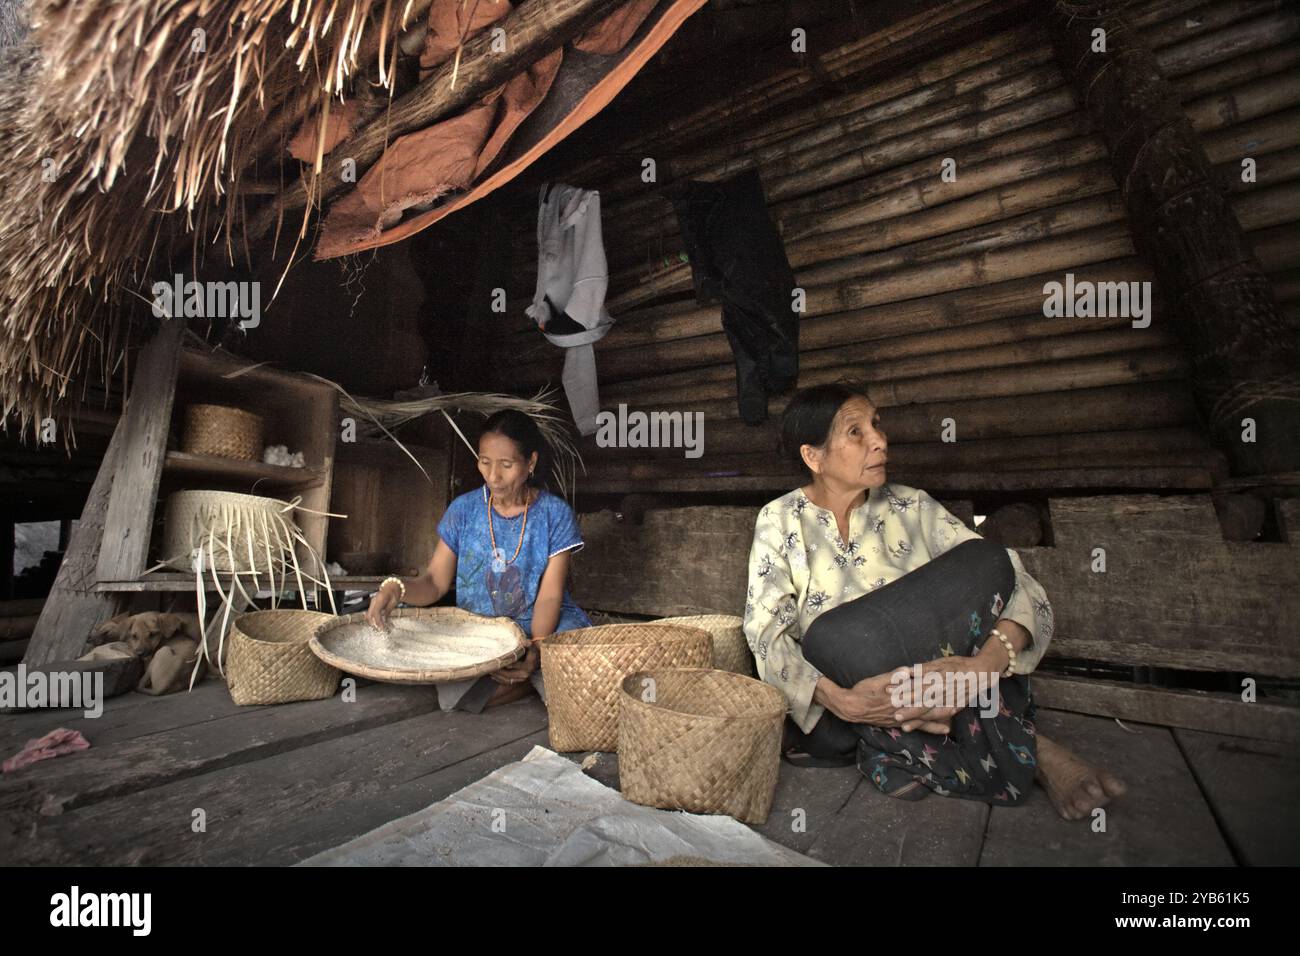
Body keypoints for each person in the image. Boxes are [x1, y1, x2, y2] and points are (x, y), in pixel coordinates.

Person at [743, 383, 1127, 820]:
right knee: (832, 638)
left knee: (989, 558)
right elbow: (765, 632)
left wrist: (979, 667)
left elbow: (1016, 584)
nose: (879, 441)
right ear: (814, 457)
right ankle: (1035, 749)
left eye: (877, 425)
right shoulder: (779, 519)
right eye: (856, 432)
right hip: (844, 704)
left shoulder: (913, 507)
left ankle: (915, 742)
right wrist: (841, 700)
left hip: (937, 691)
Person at [366, 409, 592, 711]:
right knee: (452, 696)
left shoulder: (554, 514)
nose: (493, 477)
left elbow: (549, 596)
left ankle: (529, 673)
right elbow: (434, 582)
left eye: (506, 465)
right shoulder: (464, 510)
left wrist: (535, 651)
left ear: (531, 463)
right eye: (485, 463)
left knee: (582, 668)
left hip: (542, 627)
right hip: (482, 634)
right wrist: (395, 588)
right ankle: (527, 681)